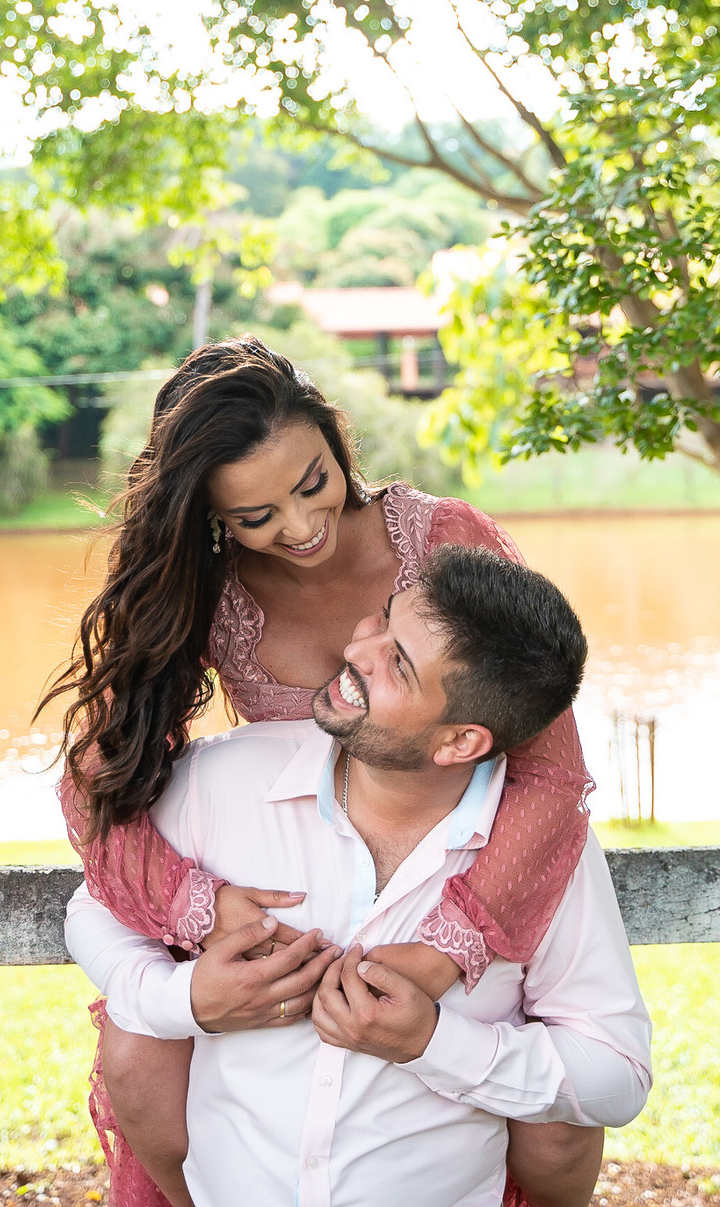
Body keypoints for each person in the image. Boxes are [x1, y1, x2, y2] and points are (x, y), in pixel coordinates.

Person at [42, 337, 598, 1207]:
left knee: (550, 1112)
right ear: (211, 518)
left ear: (335, 446)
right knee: (137, 1053)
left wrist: (450, 946)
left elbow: (552, 772)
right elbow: (98, 780)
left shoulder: (442, 538)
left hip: (442, 873)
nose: (301, 528)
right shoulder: (205, 587)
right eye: (256, 515)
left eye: (312, 484)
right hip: (286, 876)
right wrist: (204, 906)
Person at [66, 545, 652, 1207]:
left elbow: (617, 1073)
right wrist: (187, 999)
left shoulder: (545, 857)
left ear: (459, 742)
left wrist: (433, 1041)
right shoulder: (223, 779)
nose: (357, 648)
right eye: (381, 619)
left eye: (396, 662)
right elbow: (95, 908)